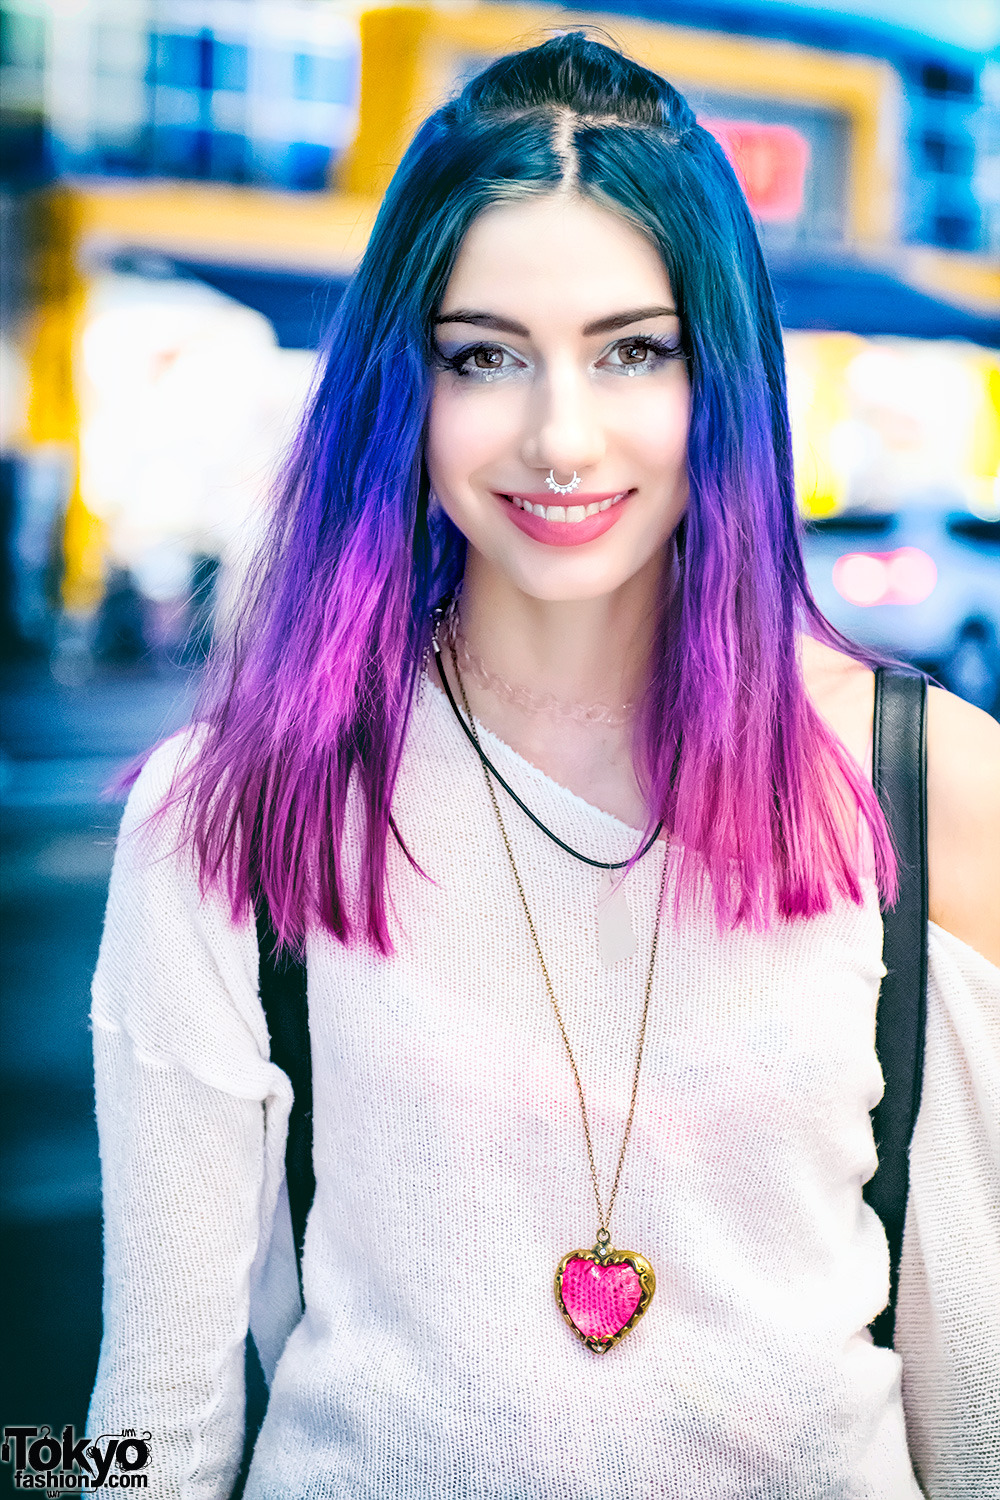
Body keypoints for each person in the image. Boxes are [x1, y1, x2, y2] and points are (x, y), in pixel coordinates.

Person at [88, 33, 1000, 1499]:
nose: (560, 435)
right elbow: (144, 1434)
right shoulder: (232, 813)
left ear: (726, 382)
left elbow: (983, 1414)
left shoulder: (926, 785)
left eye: (634, 350)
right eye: (485, 356)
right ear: (406, 384)